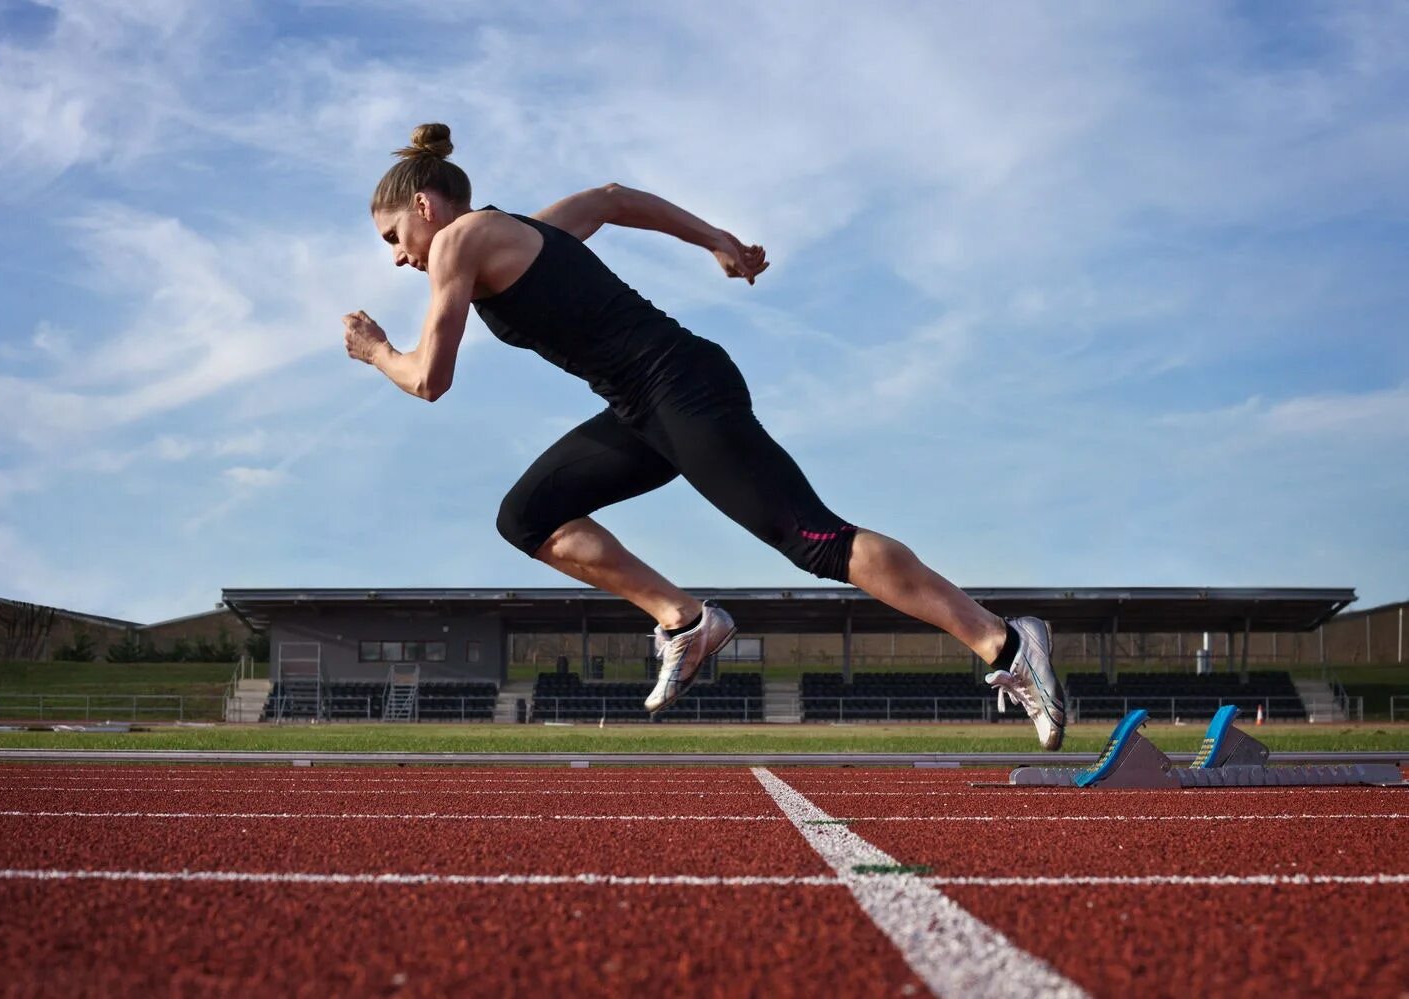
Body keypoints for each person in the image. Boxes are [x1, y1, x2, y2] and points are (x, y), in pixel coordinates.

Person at [342, 123, 1066, 748]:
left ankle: (1002, 640)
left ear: (423, 206)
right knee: (526, 517)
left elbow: (430, 379)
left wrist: (376, 350)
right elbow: (615, 198)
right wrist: (716, 239)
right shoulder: (530, 229)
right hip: (644, 409)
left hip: (682, 392)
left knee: (816, 540)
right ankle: (684, 620)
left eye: (394, 237)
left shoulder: (457, 243)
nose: (399, 256)